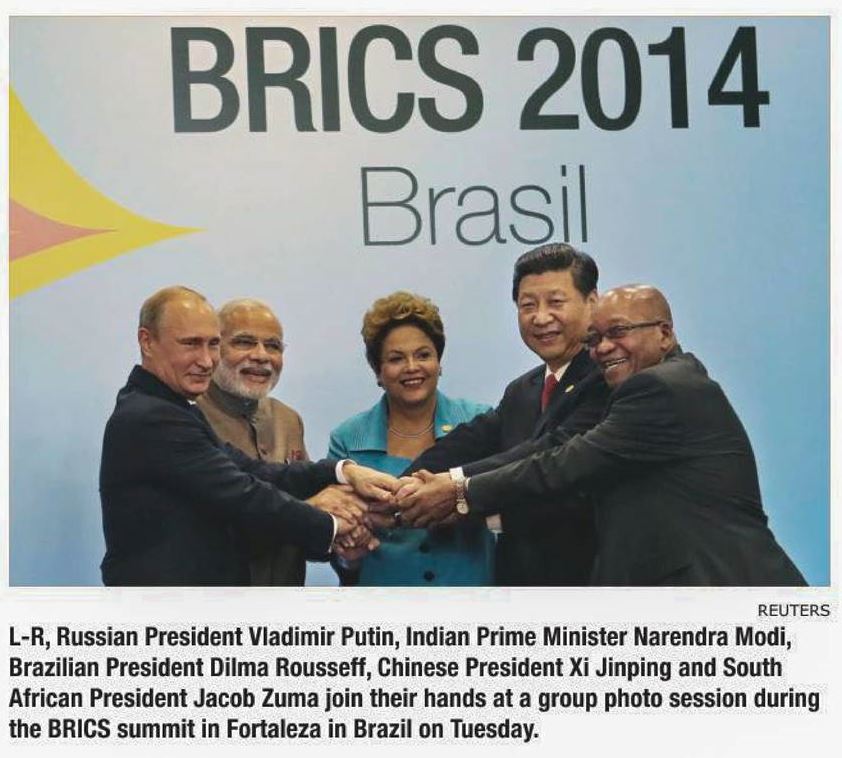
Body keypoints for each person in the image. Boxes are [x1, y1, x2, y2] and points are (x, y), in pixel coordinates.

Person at [398, 285, 806, 586]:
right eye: (594, 339)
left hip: (726, 595)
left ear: (664, 333)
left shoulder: (662, 388)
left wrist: (459, 492)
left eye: (619, 332)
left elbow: (563, 462)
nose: (604, 348)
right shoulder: (652, 385)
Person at [99, 285, 394, 586]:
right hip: (168, 608)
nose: (206, 360)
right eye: (191, 344)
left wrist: (342, 471)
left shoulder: (180, 408)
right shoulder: (153, 416)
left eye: (212, 344)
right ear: (147, 342)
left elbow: (254, 471)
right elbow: (242, 495)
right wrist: (330, 520)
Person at [403, 243, 610, 585]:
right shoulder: (522, 389)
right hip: (517, 591)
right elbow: (471, 440)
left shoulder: (608, 379)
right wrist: (401, 488)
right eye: (528, 305)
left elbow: (547, 456)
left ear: (592, 302)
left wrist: (455, 490)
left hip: (590, 590)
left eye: (555, 302)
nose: (540, 318)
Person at [328, 291, 493, 586]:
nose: (412, 367)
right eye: (396, 358)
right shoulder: (347, 439)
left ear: (439, 363)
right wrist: (348, 554)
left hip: (471, 599)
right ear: (378, 371)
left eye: (423, 355)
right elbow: (340, 539)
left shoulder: (479, 421)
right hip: (383, 603)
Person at [197, 298, 316, 586]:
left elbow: (312, 528)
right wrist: (316, 512)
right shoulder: (189, 417)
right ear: (214, 348)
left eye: (273, 346)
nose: (261, 356)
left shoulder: (288, 419)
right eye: (244, 342)